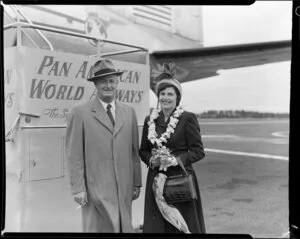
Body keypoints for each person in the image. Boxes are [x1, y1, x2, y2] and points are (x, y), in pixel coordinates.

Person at [65, 59, 142, 233]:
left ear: (117, 83)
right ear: (96, 84)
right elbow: (74, 154)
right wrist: (78, 188)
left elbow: (133, 152)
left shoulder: (129, 111)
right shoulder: (79, 112)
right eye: (103, 82)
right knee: (98, 229)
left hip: (124, 186)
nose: (108, 85)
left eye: (111, 81)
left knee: (124, 228)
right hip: (96, 189)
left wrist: (136, 182)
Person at [139, 75, 206, 233]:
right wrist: (151, 160)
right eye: (162, 94)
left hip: (180, 178)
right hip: (156, 179)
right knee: (157, 224)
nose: (165, 98)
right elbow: (143, 150)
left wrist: (175, 160)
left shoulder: (187, 118)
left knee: (182, 223)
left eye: (170, 94)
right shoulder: (150, 120)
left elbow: (198, 151)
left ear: (177, 98)